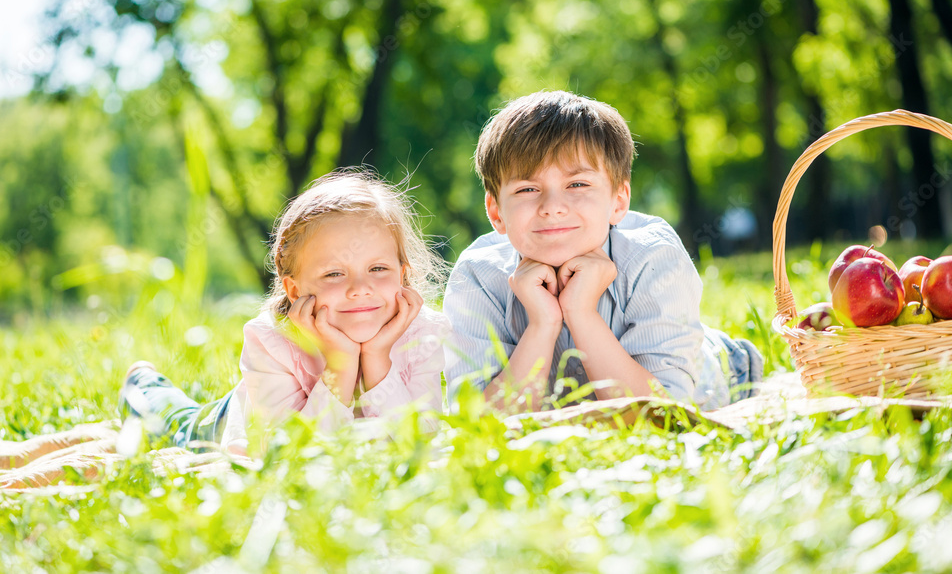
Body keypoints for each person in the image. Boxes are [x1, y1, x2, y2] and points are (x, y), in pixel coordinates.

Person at [443, 91, 762, 413]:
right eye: (527, 189)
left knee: (714, 360)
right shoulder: (478, 275)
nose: (552, 207)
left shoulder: (652, 256)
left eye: (577, 185)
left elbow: (660, 416)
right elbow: (480, 424)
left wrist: (581, 313)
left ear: (619, 201)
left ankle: (731, 353)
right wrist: (543, 323)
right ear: (496, 212)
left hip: (708, 376)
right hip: (573, 403)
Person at [119, 171, 450, 456]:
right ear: (294, 290)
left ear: (403, 274)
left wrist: (378, 359)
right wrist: (340, 365)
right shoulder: (271, 342)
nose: (360, 288)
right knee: (179, 423)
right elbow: (290, 455)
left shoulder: (422, 335)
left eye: (378, 268)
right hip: (236, 419)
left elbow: (422, 445)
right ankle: (145, 386)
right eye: (334, 274)